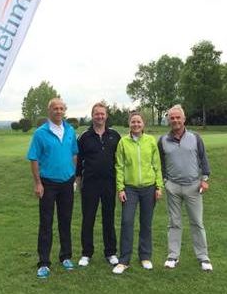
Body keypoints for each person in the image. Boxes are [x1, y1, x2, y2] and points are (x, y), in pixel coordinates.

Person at [26, 98, 78, 279]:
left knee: (65, 221)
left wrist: (73, 178)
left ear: (65, 110)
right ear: (49, 111)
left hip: (67, 183)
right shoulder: (40, 133)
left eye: (61, 108)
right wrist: (38, 183)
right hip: (47, 183)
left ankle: (65, 257)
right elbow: (34, 158)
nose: (58, 111)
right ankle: (44, 263)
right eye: (55, 108)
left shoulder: (70, 130)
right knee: (46, 223)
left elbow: (74, 154)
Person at [158, 105, 213, 271]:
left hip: (193, 187)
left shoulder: (195, 137)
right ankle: (173, 256)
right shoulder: (162, 140)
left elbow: (203, 159)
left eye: (178, 118)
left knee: (197, 222)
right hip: (172, 187)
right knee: (174, 223)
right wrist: (165, 181)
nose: (175, 120)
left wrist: (204, 178)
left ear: (184, 119)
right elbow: (160, 164)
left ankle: (203, 257)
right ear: (169, 120)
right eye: (172, 118)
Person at [112, 112, 163, 274]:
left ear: (143, 124)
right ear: (129, 124)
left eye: (138, 122)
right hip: (130, 188)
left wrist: (159, 186)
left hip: (149, 187)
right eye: (133, 122)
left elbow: (157, 166)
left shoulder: (150, 141)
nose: (136, 124)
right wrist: (120, 188)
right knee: (127, 221)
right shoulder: (123, 142)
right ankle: (124, 260)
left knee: (146, 223)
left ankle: (145, 257)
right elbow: (119, 167)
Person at [76, 102, 121, 267]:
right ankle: (86, 253)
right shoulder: (84, 136)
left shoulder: (115, 135)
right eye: (97, 114)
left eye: (102, 114)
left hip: (109, 183)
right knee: (88, 218)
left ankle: (111, 252)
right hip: (90, 184)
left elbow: (120, 160)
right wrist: (78, 180)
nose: (100, 116)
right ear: (92, 115)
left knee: (108, 218)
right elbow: (78, 161)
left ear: (106, 115)